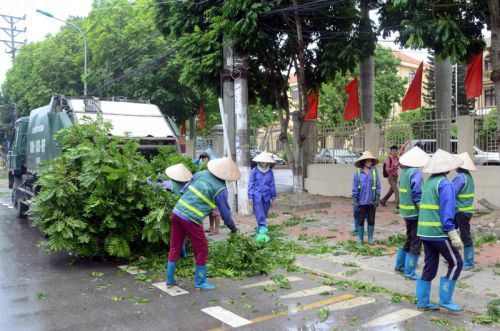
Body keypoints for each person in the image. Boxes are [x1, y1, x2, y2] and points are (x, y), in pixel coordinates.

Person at [165, 157, 239, 291]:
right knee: (202, 250)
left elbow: (186, 186)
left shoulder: (202, 174)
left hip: (177, 211)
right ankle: (200, 282)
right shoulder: (221, 189)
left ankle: (169, 280)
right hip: (191, 219)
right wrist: (233, 229)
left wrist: (185, 195)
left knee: (175, 246)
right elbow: (226, 216)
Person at [416, 149, 464, 312]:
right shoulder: (445, 184)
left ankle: (422, 302)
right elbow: (447, 211)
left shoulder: (429, 181)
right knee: (457, 263)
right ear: (448, 168)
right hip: (439, 233)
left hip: (424, 232)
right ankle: (445, 299)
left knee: (430, 266)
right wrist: (453, 234)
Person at [394, 146, 430, 280]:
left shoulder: (405, 172)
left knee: (409, 238)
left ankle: (399, 265)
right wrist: (422, 209)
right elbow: (416, 193)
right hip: (415, 213)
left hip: (405, 212)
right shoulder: (416, 173)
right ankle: (409, 271)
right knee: (416, 241)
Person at [147, 163, 193, 258]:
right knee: (182, 234)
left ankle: (177, 257)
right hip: (185, 211)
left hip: (174, 211)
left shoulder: (169, 184)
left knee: (175, 235)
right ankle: (183, 256)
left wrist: (146, 181)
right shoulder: (187, 185)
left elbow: (155, 187)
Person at [452, 152, 477, 270]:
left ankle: (469, 263)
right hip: (466, 211)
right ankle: (454, 257)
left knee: (462, 235)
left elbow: (452, 193)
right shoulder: (468, 177)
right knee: (458, 233)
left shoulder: (459, 177)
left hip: (460, 211)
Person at [352, 151, 381, 245]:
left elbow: (378, 185)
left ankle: (370, 239)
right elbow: (355, 187)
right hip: (361, 201)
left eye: (371, 160)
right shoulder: (358, 173)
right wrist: (355, 200)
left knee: (371, 220)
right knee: (360, 220)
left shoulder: (374, 171)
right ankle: (360, 238)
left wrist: (377, 197)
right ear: (363, 161)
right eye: (368, 160)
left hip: (371, 201)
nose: (370, 162)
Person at [248, 152, 277, 243]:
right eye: (262, 161)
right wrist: (250, 196)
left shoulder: (270, 172)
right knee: (259, 214)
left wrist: (273, 197)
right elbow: (251, 184)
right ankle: (262, 231)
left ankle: (260, 230)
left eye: (265, 161)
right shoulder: (254, 171)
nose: (264, 163)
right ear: (259, 161)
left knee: (264, 214)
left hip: (267, 197)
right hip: (257, 196)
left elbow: (272, 185)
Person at [380, 145, 401, 209]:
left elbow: (401, 166)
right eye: (393, 151)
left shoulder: (397, 158)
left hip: (396, 177)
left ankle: (383, 201)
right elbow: (387, 169)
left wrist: (402, 163)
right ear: (391, 151)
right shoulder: (388, 159)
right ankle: (398, 205)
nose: (394, 152)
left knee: (391, 191)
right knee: (396, 190)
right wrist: (393, 166)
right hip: (390, 177)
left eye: (396, 151)